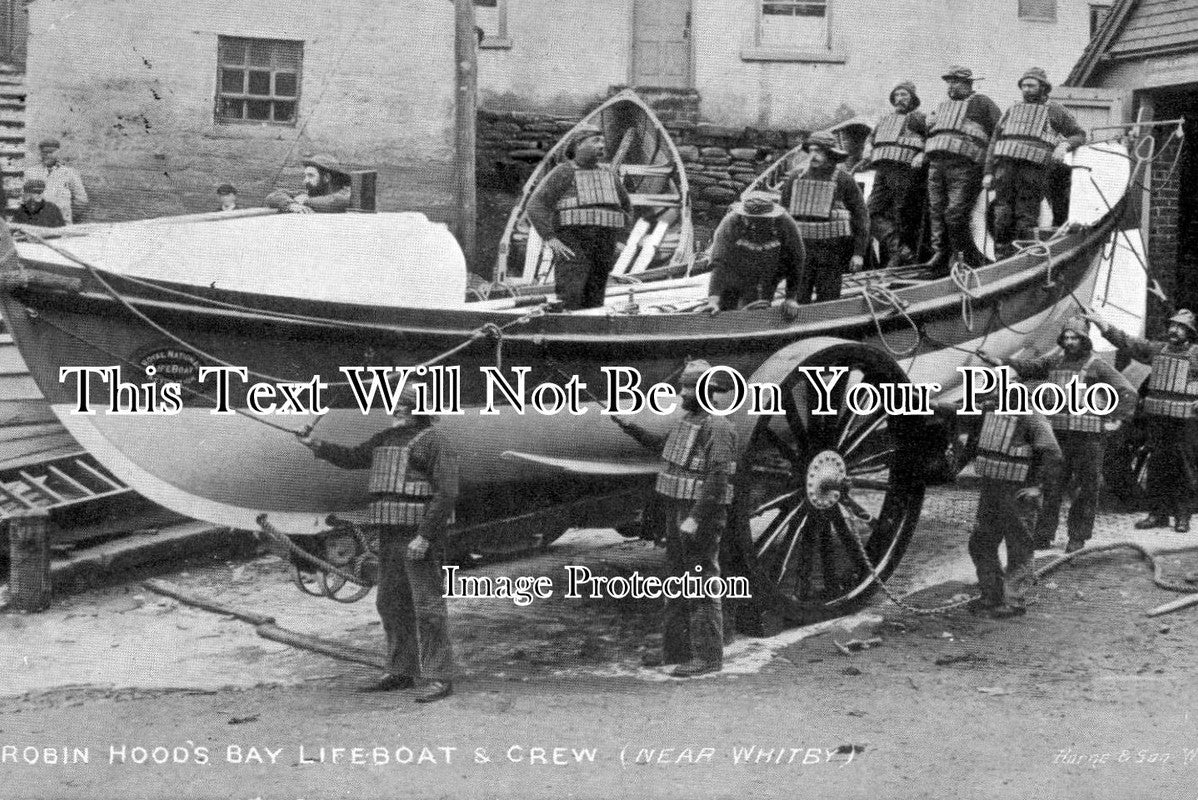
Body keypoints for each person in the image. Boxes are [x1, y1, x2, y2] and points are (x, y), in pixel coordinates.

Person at [298, 382, 458, 702]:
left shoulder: (435, 442)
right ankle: (401, 670)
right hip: (389, 534)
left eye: (404, 404)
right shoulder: (385, 439)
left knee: (427, 607)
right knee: (390, 602)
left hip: (418, 537)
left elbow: (447, 493)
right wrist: (315, 444)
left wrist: (425, 537)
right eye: (396, 404)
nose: (396, 409)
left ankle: (440, 677)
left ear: (420, 410)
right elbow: (352, 457)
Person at [612, 360, 738, 677]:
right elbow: (663, 447)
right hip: (677, 507)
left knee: (702, 582)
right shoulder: (690, 419)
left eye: (689, 388)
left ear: (705, 390)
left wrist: (695, 518)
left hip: (699, 512)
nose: (682, 393)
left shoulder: (719, 428)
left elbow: (718, 479)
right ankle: (676, 654)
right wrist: (630, 427)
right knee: (677, 580)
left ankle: (709, 658)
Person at [980, 315, 1136, 552]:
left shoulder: (1097, 365)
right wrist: (1000, 361)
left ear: (1084, 340)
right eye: (1066, 337)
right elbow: (1029, 367)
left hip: (1088, 439)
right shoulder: (1055, 361)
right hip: (1059, 435)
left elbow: (1127, 391)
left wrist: (1116, 419)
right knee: (1051, 485)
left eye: (1075, 337)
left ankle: (1077, 537)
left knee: (1086, 488)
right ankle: (1043, 535)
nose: (1070, 341)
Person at [1088, 308, 1198, 533]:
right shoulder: (1157, 350)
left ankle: (1182, 516)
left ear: (1190, 332)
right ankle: (1157, 515)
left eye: (1180, 327)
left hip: (1185, 421)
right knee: (1157, 465)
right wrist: (1102, 325)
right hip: (1158, 419)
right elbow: (1128, 343)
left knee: (1183, 467)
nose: (1174, 330)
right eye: (1172, 326)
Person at [956, 393, 1063, 618]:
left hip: (1019, 494)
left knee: (1019, 548)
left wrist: (1039, 488)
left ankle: (1013, 601)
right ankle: (991, 594)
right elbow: (972, 444)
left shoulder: (1033, 418)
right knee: (980, 542)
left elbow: (1053, 454)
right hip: (991, 490)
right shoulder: (989, 413)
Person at [525, 125, 632, 310]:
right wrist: (550, 238)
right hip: (574, 245)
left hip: (604, 245)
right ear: (578, 145)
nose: (601, 145)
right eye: (595, 141)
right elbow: (535, 206)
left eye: (603, 141)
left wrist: (622, 240)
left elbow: (627, 208)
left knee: (596, 300)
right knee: (570, 297)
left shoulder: (609, 175)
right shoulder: (563, 173)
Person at [984, 68, 1086, 259]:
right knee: (1001, 214)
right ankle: (1001, 258)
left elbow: (1079, 134)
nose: (1026, 89)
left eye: (1031, 85)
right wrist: (988, 172)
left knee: (1026, 215)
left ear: (1043, 88)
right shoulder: (1011, 110)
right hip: (1005, 168)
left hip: (1034, 170)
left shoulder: (1055, 110)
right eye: (1023, 86)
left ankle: (1023, 257)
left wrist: (1064, 145)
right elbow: (994, 142)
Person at [919, 66, 1001, 275]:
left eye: (955, 81)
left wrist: (991, 168)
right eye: (949, 81)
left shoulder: (983, 103)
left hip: (965, 166)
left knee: (955, 213)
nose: (951, 85)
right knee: (936, 210)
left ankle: (962, 257)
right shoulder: (942, 106)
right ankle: (940, 254)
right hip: (937, 164)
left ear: (968, 84)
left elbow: (998, 133)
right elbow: (933, 135)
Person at [780, 131, 868, 302]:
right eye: (811, 150)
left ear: (831, 154)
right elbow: (782, 216)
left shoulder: (844, 180)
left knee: (828, 300)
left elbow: (861, 217)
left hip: (832, 252)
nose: (814, 155)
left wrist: (858, 253)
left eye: (819, 151)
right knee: (796, 300)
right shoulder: (794, 178)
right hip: (802, 250)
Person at [702, 191, 805, 320]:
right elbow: (719, 264)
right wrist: (713, 301)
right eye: (751, 219)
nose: (756, 224)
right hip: (735, 275)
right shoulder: (730, 223)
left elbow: (796, 261)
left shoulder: (785, 223)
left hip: (769, 274)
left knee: (759, 312)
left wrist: (790, 298)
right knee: (726, 313)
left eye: (762, 220)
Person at [858, 81, 928, 268]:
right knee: (870, 212)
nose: (899, 99)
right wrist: (867, 150)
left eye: (904, 95)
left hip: (906, 171)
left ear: (912, 99)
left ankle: (899, 259)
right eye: (896, 95)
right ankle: (900, 250)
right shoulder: (884, 120)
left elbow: (932, 140)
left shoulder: (919, 119)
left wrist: (922, 154)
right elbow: (870, 139)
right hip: (883, 170)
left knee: (902, 215)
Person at [25, 138, 88, 225]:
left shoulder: (69, 173)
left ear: (58, 153)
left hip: (62, 222)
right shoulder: (31, 172)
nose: (47, 155)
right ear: (40, 153)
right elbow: (25, 198)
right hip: (38, 222)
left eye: (51, 152)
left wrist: (67, 215)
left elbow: (81, 200)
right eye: (44, 152)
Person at [265, 154, 352, 214]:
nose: (305, 181)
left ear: (327, 178)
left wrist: (304, 201)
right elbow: (273, 196)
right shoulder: (312, 193)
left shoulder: (346, 194)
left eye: (310, 176)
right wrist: (292, 205)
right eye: (305, 176)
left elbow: (336, 201)